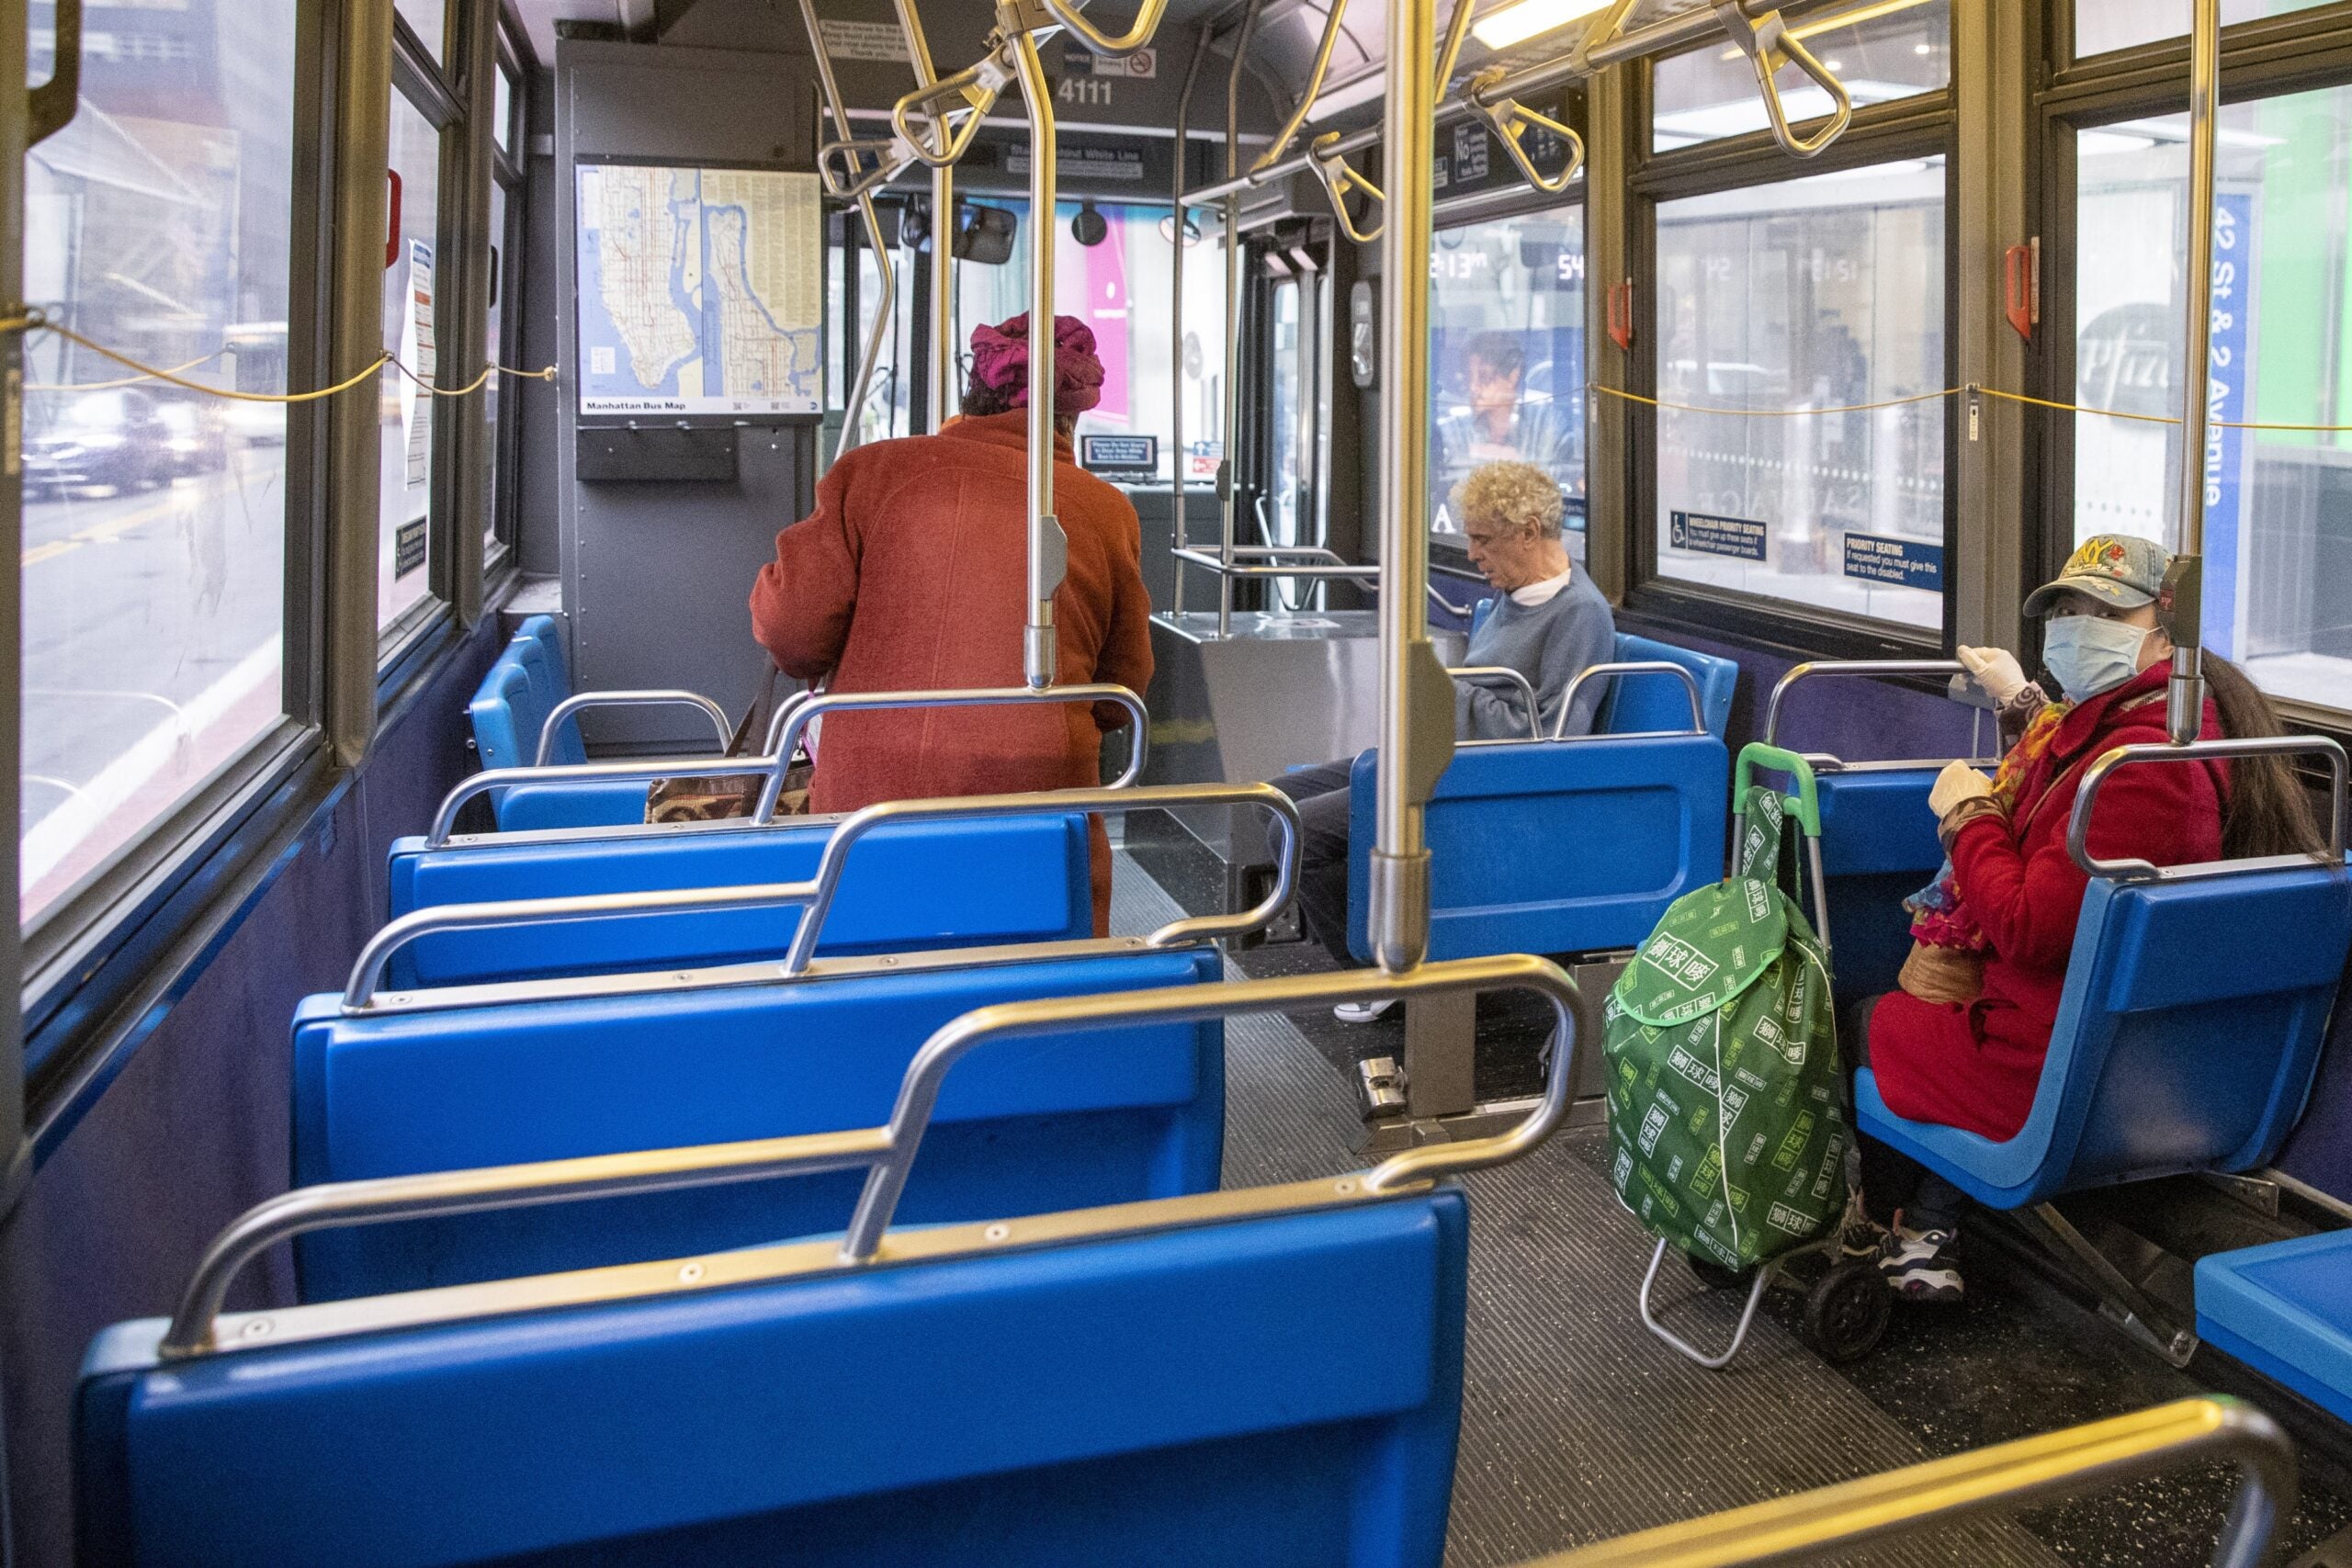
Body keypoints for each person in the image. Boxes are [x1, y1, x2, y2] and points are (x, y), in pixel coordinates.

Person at [1845, 534, 2323, 1302]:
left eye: (2103, 608)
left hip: (2065, 1076)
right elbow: (2062, 771)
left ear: (2162, 622)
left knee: (1865, 1020)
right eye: (2066, 607)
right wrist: (2021, 705)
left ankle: (1889, 1224)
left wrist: (1969, 816)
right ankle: (1924, 1224)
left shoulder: (2141, 775)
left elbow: (2028, 925)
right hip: (2159, 1061)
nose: (2076, 622)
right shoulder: (2186, 728)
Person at [750, 312, 1154, 934]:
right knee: (1036, 978)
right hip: (1039, 806)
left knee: (870, 964)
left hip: (873, 800)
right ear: (1071, 417)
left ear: (973, 396)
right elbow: (1121, 693)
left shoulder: (870, 472)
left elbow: (793, 634)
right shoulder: (1106, 512)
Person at [1274, 460, 1616, 1020]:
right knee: (1281, 797)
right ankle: (1388, 948)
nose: (1474, 555)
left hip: (1483, 781)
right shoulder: (1513, 595)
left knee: (1301, 835)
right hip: (1446, 756)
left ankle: (1388, 973)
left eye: (1483, 540)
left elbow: (1553, 737)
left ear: (1529, 533)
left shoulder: (1580, 615)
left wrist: (1448, 691)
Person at [1434, 331, 1577, 510]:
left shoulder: (1548, 427)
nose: (1473, 387)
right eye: (1469, 376)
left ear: (1513, 376)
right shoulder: (1452, 431)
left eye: (1484, 376)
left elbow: (1554, 490)